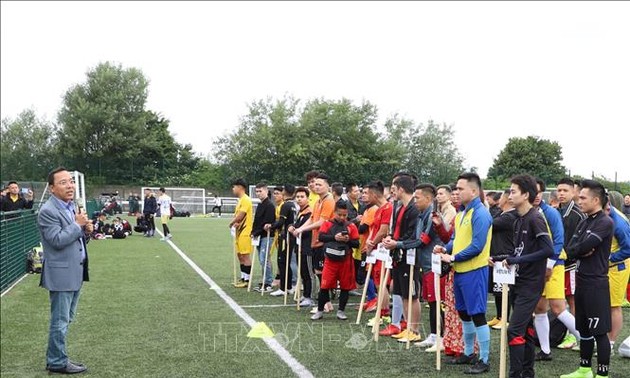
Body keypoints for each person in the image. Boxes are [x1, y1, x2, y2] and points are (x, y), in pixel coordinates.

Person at [491, 174, 554, 378]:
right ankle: (528, 373)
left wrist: (517, 261)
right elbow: (519, 252)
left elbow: (547, 249)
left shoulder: (536, 218)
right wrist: (499, 258)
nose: (510, 195)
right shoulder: (518, 219)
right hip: (517, 281)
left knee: (514, 330)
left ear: (526, 195)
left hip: (531, 284)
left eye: (513, 191)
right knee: (525, 328)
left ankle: (515, 374)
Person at [434, 172, 493, 374]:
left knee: (477, 314)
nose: (456, 192)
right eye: (456, 188)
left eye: (460, 188)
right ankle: (468, 353)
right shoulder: (462, 214)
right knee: (464, 313)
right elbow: (456, 241)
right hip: (460, 271)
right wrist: (445, 249)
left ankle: (484, 359)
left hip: (475, 271)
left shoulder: (481, 213)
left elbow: (477, 245)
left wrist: (453, 258)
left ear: (474, 191)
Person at [38, 167, 92, 374]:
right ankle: (57, 361)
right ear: (51, 188)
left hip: (74, 272)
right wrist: (78, 225)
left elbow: (74, 240)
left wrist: (85, 231)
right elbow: (57, 240)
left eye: (71, 181)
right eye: (63, 182)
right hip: (61, 275)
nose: (70, 186)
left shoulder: (70, 207)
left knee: (66, 318)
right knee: (60, 321)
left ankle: (57, 357)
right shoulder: (48, 211)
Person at [561, 179, 614, 378]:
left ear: (596, 199)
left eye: (583, 197)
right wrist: (578, 251)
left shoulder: (605, 222)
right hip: (581, 280)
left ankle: (602, 374)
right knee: (583, 329)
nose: (579, 200)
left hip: (596, 284)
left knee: (599, 332)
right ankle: (584, 369)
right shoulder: (584, 221)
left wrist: (579, 250)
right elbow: (571, 249)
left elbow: (581, 247)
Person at [533, 178, 580, 361]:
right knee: (540, 308)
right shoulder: (530, 212)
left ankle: (587, 340)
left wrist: (550, 265)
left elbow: (559, 240)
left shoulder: (550, 213)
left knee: (558, 307)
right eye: (532, 192)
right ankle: (545, 351)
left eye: (538, 192)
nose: (535, 195)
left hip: (555, 265)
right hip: (538, 266)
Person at [381, 176, 421, 342]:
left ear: (401, 189)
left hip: (409, 256)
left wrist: (396, 243)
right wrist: (390, 238)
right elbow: (396, 229)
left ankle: (415, 329)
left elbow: (413, 235)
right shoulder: (399, 206)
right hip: (398, 255)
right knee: (401, 293)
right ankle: (407, 325)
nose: (392, 192)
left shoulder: (413, 208)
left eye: (394, 189)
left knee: (411, 294)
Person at [310, 200, 359, 320]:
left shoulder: (351, 226)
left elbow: (356, 243)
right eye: (339, 214)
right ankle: (320, 311)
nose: (342, 217)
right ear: (334, 212)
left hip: (346, 261)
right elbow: (321, 237)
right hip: (330, 260)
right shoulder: (327, 224)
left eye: (345, 215)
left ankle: (341, 311)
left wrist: (347, 240)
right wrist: (334, 237)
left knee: (345, 287)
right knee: (324, 286)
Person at [295, 173, 336, 312]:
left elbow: (322, 222)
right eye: (315, 184)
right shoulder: (318, 201)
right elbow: (312, 218)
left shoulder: (329, 201)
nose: (316, 187)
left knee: (322, 272)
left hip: (325, 241)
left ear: (327, 186)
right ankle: (327, 302)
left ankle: (326, 301)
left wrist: (303, 228)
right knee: (319, 271)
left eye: (319, 184)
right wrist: (300, 228)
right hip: (316, 241)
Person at [556, 177, 587, 349]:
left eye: (565, 190)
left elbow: (579, 242)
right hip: (558, 263)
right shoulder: (556, 211)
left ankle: (575, 336)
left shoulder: (577, 214)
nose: (561, 194)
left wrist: (567, 255)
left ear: (573, 192)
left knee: (572, 299)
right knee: (558, 301)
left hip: (571, 265)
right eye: (559, 190)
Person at [487, 189, 517, 330]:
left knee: (504, 289)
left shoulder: (509, 216)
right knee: (497, 290)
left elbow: (490, 224)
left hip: (505, 255)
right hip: (497, 255)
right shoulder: (502, 214)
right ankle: (499, 316)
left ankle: (505, 318)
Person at [606, 202, 630, 355]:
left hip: (617, 267)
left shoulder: (618, 222)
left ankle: (610, 343)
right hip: (606, 268)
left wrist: (609, 259)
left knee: (614, 305)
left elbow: (628, 248)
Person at [267, 184, 298, 297]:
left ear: (284, 192)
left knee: (282, 262)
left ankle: (283, 288)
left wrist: (271, 226)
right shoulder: (293, 205)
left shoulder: (285, 205)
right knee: (287, 262)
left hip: (285, 237)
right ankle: (289, 286)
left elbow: (281, 222)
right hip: (291, 237)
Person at [289, 187, 314, 307]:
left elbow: (307, 228)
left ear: (307, 198)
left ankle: (310, 297)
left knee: (309, 273)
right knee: (303, 272)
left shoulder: (310, 212)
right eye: (297, 197)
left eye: (302, 197)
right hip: (300, 246)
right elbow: (298, 225)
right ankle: (306, 295)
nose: (299, 199)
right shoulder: (300, 211)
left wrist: (297, 229)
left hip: (308, 246)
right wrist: (292, 227)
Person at [251, 182, 276, 293]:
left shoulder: (270, 205)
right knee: (262, 260)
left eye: (260, 191)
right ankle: (265, 281)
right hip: (258, 236)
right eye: (257, 191)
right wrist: (253, 232)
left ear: (266, 191)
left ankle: (268, 283)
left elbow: (267, 223)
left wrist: (256, 232)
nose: (258, 193)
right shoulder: (260, 204)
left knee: (264, 259)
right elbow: (257, 221)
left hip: (266, 236)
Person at [228, 179, 253, 288]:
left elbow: (241, 215)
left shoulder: (246, 200)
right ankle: (243, 277)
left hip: (245, 231)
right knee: (240, 255)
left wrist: (232, 222)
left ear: (240, 187)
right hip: (239, 231)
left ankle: (248, 280)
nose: (233, 189)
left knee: (245, 255)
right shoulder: (240, 200)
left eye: (234, 187)